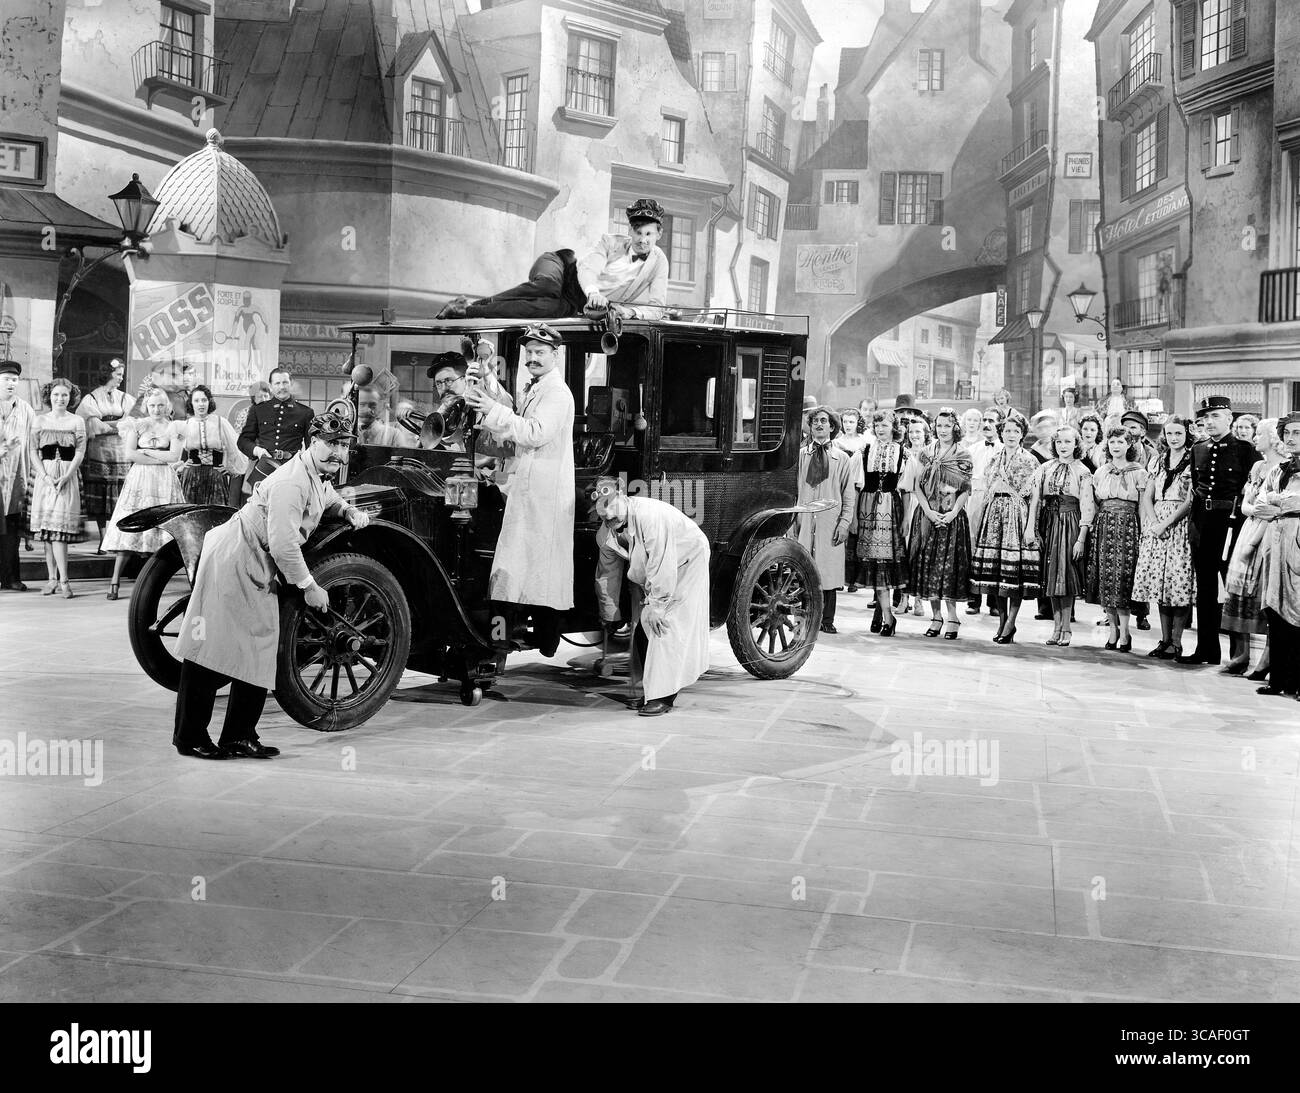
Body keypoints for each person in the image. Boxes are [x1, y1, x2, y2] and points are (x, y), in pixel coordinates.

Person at [171, 412, 371, 759]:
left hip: (254, 561)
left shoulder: (315, 473)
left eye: (343, 445)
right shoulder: (292, 482)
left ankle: (239, 736)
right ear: (312, 442)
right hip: (235, 557)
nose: (338, 452)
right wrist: (309, 585)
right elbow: (283, 545)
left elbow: (325, 496)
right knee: (209, 649)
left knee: (258, 648)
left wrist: (347, 511)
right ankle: (190, 738)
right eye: (331, 444)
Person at [463, 322, 575, 656]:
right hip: (527, 490)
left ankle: (534, 641)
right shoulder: (535, 388)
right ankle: (509, 641)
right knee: (515, 571)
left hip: (543, 495)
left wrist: (494, 411)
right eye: (529, 353)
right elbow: (513, 420)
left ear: (555, 355)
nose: (533, 358)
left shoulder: (557, 393)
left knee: (533, 572)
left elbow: (534, 432)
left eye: (540, 352)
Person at [440, 198, 668, 321]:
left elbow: (658, 308)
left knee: (539, 309)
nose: (643, 240)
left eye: (648, 234)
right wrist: (594, 293)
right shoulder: (610, 241)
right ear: (631, 231)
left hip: (576, 302)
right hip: (562, 267)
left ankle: (465, 310)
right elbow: (588, 269)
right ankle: (476, 303)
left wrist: (630, 313)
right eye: (638, 233)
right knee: (546, 285)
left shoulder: (659, 263)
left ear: (658, 234)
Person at [594, 484, 710, 716]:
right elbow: (607, 572)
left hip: (686, 562)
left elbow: (662, 562)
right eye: (604, 515)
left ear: (624, 499)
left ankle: (663, 698)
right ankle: (651, 691)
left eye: (613, 511)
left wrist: (657, 605)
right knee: (644, 628)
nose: (609, 518)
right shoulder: (608, 531)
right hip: (657, 574)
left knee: (664, 627)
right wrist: (611, 613)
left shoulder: (650, 517)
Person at [1178, 395, 1262, 666]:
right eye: (1205, 418)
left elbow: (1253, 488)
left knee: (1234, 586)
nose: (1209, 422)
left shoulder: (1245, 450)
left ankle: (1239, 656)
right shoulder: (1198, 449)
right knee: (1204, 588)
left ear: (1229, 418)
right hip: (1203, 523)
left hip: (1232, 523)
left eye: (1216, 416)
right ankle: (1207, 649)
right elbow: (1197, 488)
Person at [101, 389, 186, 600]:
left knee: (165, 528)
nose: (156, 409)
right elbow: (130, 454)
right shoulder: (136, 425)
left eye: (160, 405)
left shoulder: (174, 427)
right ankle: (114, 580)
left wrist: (146, 452)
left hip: (164, 480)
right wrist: (159, 458)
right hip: (140, 479)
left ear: (167, 407)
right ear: (146, 406)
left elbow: (175, 454)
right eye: (152, 405)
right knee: (130, 525)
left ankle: (157, 580)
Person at [1220, 418, 1285, 677]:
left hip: (1266, 532)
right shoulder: (1258, 466)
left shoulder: (1282, 468)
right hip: (1249, 526)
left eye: (1260, 434)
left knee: (1263, 594)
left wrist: (1254, 537)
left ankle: (1267, 659)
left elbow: (1270, 511)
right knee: (1238, 589)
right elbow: (1247, 503)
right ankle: (1241, 654)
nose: (1255, 438)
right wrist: (1251, 509)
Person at [970, 411, 1040, 644]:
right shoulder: (993, 459)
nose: (1011, 435)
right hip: (994, 515)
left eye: (1016, 431)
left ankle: (1011, 623)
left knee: (1014, 575)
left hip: (1017, 515)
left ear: (1022, 435)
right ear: (1002, 432)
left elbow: (1034, 498)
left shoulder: (1030, 460)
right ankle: (1001, 622)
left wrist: (1030, 527)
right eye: (1008, 430)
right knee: (996, 575)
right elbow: (986, 491)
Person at [1131, 417, 1196, 659]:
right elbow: (1147, 496)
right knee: (1159, 583)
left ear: (1186, 434)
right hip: (1157, 523)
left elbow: (1190, 500)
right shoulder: (1158, 462)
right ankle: (1164, 639)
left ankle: (1176, 642)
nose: (1174, 438)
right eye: (1170, 433)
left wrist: (1167, 524)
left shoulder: (1193, 461)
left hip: (1179, 525)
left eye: (1178, 433)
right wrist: (1155, 524)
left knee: (1176, 584)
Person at [907, 407, 973, 639]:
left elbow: (965, 489)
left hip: (952, 517)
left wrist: (954, 512)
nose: (942, 430)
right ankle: (936, 617)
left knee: (950, 568)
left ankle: (953, 617)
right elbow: (917, 486)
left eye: (947, 425)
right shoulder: (925, 453)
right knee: (930, 566)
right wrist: (928, 511)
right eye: (939, 425)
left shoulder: (963, 454)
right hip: (928, 515)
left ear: (955, 427)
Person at [1085, 424, 1148, 652]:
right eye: (1112, 442)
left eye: (1121, 441)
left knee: (1123, 580)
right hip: (1105, 525)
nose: (1116, 446)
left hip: (1128, 527)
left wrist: (1142, 532)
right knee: (1106, 579)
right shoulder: (1101, 472)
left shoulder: (1139, 472)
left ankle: (1126, 631)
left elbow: (1142, 506)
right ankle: (1112, 630)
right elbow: (1095, 501)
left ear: (1129, 444)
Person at [794, 406, 856, 634]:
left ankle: (826, 619)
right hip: (805, 519)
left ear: (832, 426)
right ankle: (802, 618)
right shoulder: (801, 456)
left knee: (828, 570)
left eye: (824, 421)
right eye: (815, 422)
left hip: (830, 521)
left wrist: (844, 523)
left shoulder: (841, 459)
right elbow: (793, 490)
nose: (819, 425)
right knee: (802, 567)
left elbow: (848, 495)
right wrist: (793, 522)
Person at [1032, 424, 1094, 646]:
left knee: (1065, 576)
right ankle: (1056, 626)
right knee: (1051, 575)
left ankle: (1066, 627)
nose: (1063, 446)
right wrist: (1034, 528)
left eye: (1068, 442)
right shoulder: (1046, 468)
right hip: (1049, 522)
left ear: (1076, 444)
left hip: (1070, 522)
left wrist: (1081, 538)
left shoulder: (1083, 471)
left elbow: (1087, 506)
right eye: (1059, 442)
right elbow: (1037, 500)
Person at [28, 378, 88, 598]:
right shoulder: (40, 420)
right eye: (56, 395)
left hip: (67, 476)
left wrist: (66, 475)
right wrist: (43, 476)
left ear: (70, 397)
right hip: (44, 478)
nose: (60, 399)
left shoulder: (77, 421)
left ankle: (64, 581)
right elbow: (33, 451)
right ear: (49, 397)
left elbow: (80, 452)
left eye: (64, 395)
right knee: (47, 532)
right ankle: (51, 579)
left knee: (59, 533)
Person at [1255, 412, 1300, 701]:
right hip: (1275, 540)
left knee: (1298, 610)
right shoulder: (1278, 469)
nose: (1291, 438)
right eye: (1287, 433)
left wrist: (1278, 502)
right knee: (1275, 610)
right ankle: (1279, 678)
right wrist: (1281, 503)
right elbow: (1259, 502)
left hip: (1296, 540)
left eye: (1297, 432)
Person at [855, 409, 910, 635]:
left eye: (885, 425)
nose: (880, 429)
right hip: (868, 510)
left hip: (890, 510)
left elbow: (906, 490)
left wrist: (906, 518)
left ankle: (886, 615)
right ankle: (884, 615)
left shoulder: (902, 453)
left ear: (893, 427)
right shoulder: (865, 451)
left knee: (885, 564)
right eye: (877, 425)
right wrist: (854, 518)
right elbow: (858, 487)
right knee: (874, 564)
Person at [77, 358, 136, 550]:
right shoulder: (91, 398)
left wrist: (108, 424)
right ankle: (103, 539)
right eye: (118, 374)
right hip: (99, 453)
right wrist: (116, 425)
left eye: (122, 375)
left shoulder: (125, 397)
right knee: (100, 496)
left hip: (120, 453)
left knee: (120, 496)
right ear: (108, 374)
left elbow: (131, 423)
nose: (121, 378)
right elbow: (93, 426)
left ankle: (117, 538)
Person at [237, 366, 314, 495]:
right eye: (277, 383)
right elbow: (243, 441)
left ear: (291, 384)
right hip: (264, 468)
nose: (281, 387)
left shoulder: (305, 412)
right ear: (271, 386)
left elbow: (312, 446)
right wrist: (259, 451)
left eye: (285, 382)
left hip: (292, 469)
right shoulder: (259, 410)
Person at [175, 385, 246, 506]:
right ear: (191, 404)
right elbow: (177, 455)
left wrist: (230, 469)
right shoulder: (186, 424)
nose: (201, 404)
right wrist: (182, 466)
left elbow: (236, 448)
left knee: (215, 514)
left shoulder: (220, 422)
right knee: (191, 514)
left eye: (204, 400)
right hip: (191, 477)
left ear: (209, 402)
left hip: (216, 477)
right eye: (196, 401)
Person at [0, 359, 36, 591]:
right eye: (6, 379)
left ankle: (11, 577)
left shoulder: (25, 409)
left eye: (15, 380)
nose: (11, 383)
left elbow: (33, 443)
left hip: (15, 477)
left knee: (11, 531)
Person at [965, 406, 1004, 617]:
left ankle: (994, 601)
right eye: (985, 420)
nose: (987, 424)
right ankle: (973, 599)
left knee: (993, 550)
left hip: (997, 500)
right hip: (975, 500)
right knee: (973, 548)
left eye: (992, 421)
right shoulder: (973, 449)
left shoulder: (1004, 449)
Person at [835, 408, 866, 593]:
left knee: (854, 534)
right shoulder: (837, 443)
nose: (848, 425)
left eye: (851, 422)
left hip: (857, 486)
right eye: (845, 422)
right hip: (839, 487)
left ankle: (853, 579)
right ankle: (839, 577)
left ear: (858, 423)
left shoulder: (863, 443)